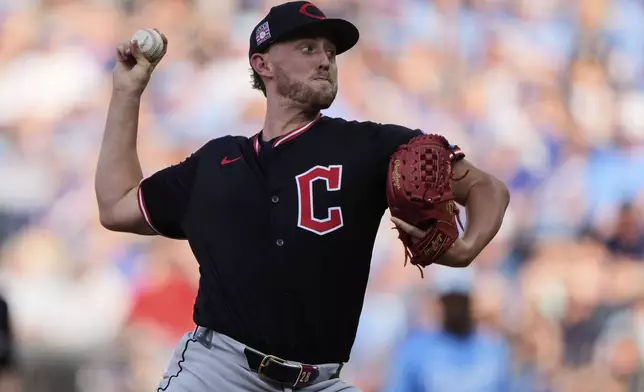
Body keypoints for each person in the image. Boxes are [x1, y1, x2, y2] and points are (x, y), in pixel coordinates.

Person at [94, 1, 510, 391]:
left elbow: (486, 187)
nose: (325, 60)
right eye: (308, 47)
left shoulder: (372, 146)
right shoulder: (214, 162)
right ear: (263, 63)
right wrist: (127, 93)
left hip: (321, 380)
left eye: (330, 52)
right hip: (219, 372)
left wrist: (467, 246)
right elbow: (117, 206)